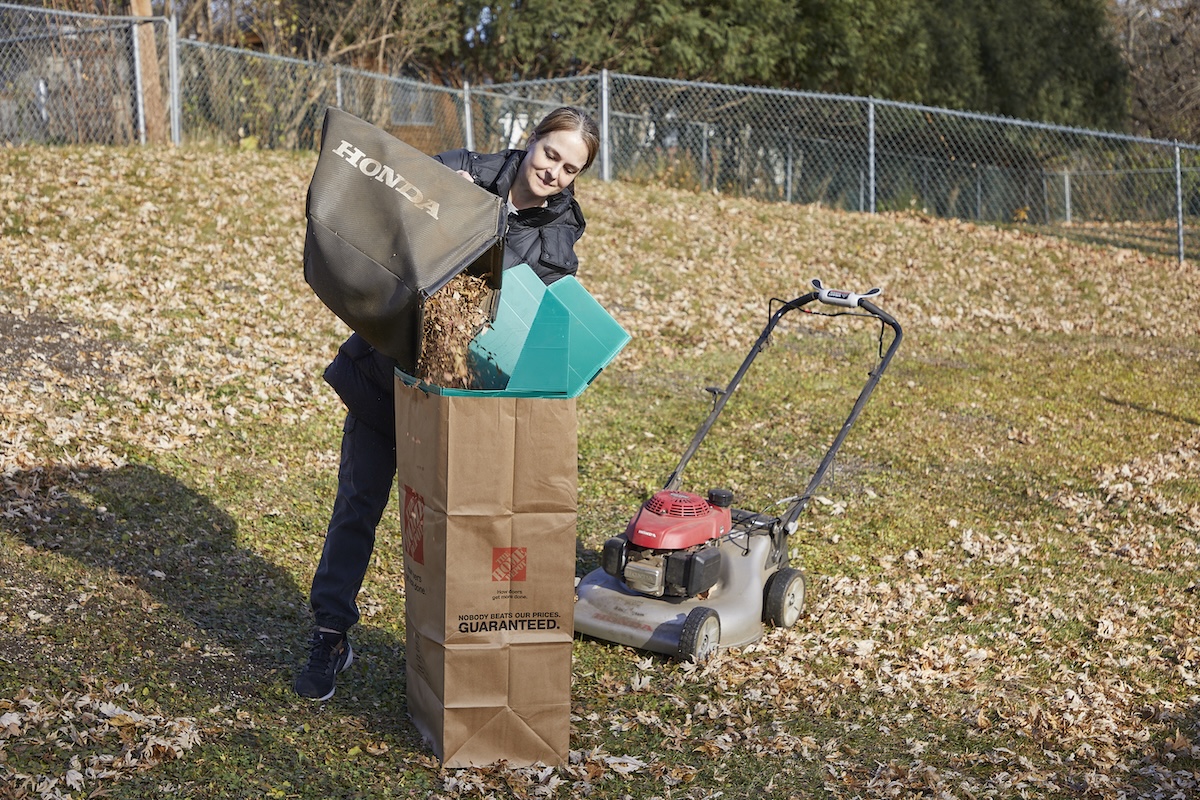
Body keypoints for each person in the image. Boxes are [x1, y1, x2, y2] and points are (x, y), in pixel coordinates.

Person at [294, 106, 601, 701]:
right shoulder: (459, 170)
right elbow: (389, 220)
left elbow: (529, 322)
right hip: (389, 372)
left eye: (570, 168)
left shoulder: (557, 237)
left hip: (466, 402)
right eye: (551, 153)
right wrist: (446, 203)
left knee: (456, 528)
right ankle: (330, 633)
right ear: (530, 140)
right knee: (357, 503)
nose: (555, 172)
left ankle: (454, 649)